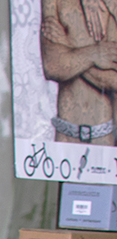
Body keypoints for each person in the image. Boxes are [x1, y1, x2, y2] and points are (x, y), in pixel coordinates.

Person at [43, 0, 117, 143]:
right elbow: (53, 67)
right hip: (65, 134)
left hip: (103, 138)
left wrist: (68, 47)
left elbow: (114, 81)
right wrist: (92, 54)